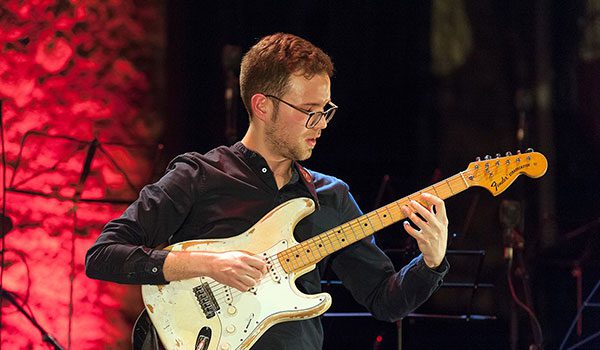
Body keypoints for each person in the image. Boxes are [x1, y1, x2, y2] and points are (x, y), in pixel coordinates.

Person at [85, 32, 450, 350]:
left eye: (325, 110)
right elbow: (103, 255)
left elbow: (386, 302)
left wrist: (431, 262)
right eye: (309, 110)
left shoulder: (331, 196)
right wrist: (207, 264)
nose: (321, 124)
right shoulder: (198, 175)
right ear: (262, 106)